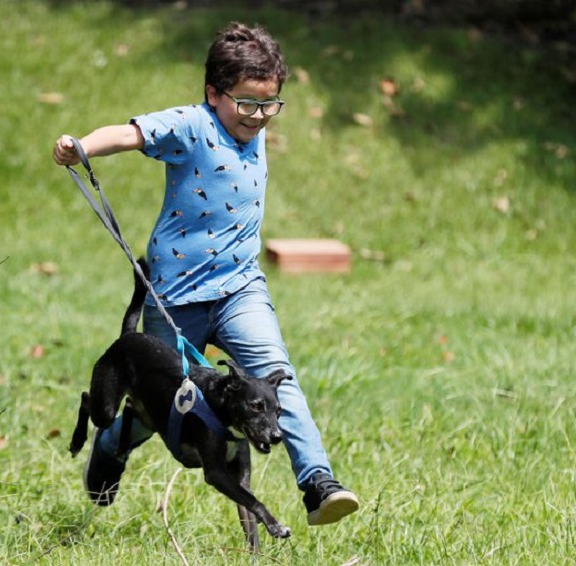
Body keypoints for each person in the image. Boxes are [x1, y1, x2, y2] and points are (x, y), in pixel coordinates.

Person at [53, 21, 358, 527]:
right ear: (213, 94)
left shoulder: (251, 126)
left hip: (241, 290)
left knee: (279, 378)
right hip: (175, 301)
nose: (259, 118)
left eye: (270, 105)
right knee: (164, 409)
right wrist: (80, 145)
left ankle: (317, 483)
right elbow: (130, 134)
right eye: (247, 104)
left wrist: (254, 113)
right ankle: (112, 444)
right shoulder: (191, 125)